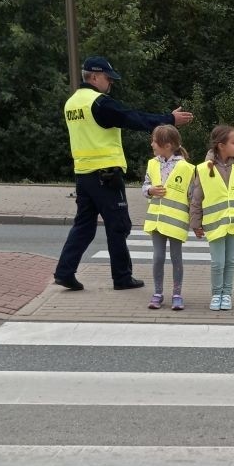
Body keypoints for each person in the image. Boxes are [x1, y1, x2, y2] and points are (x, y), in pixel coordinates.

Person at [54, 55, 193, 291]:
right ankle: (122, 277)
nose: (110, 84)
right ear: (95, 76)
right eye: (108, 78)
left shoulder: (72, 103)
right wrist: (168, 119)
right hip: (106, 174)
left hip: (83, 174)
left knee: (84, 225)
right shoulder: (99, 103)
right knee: (118, 225)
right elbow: (132, 118)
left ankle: (65, 272)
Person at [190, 125, 234, 311]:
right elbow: (196, 198)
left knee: (230, 261)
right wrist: (196, 224)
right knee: (217, 263)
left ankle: (227, 294)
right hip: (214, 224)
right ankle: (216, 294)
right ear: (221, 146)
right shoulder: (203, 169)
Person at [142, 125, 195, 311]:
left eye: (155, 141)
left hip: (176, 222)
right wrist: (150, 191)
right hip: (156, 220)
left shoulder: (187, 168)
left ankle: (177, 294)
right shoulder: (152, 163)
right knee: (157, 257)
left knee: (176, 257)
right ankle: (157, 293)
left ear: (167, 145)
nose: (152, 144)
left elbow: (192, 196)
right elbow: (145, 186)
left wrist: (196, 221)